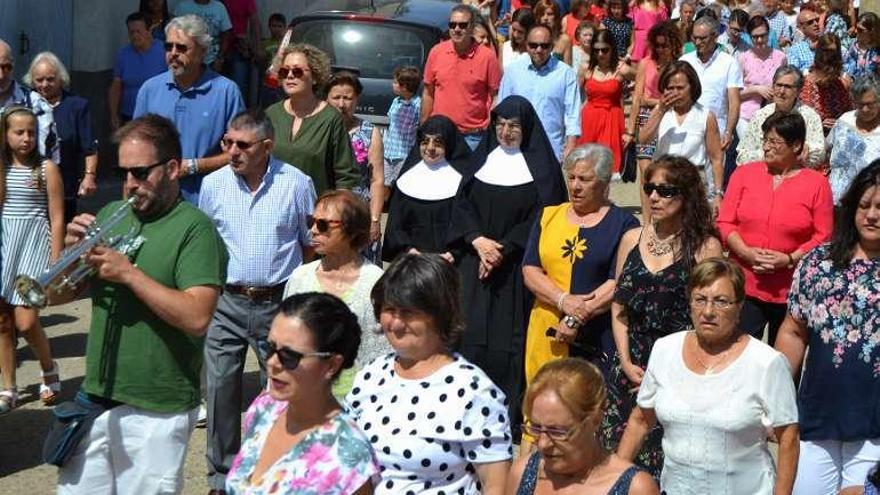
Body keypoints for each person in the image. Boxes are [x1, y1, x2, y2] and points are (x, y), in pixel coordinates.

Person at [56, 114, 227, 494]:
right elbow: (58, 297)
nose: (130, 185)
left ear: (171, 168)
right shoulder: (108, 218)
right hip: (95, 396)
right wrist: (68, 257)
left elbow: (198, 316)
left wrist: (130, 274)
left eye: (140, 173)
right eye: (124, 173)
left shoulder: (196, 230)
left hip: (157, 408)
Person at [198, 108, 316, 494]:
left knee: (281, 390)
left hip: (278, 303)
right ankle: (222, 475)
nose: (233, 151)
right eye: (227, 143)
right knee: (219, 389)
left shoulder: (296, 184)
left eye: (243, 145)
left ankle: (275, 470)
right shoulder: (214, 185)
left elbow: (309, 245)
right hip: (227, 302)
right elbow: (206, 245)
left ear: (266, 146)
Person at [618, 258, 800, 495]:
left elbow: (788, 438)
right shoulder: (665, 350)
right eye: (700, 300)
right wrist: (616, 480)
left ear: (739, 307)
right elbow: (641, 420)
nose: (708, 312)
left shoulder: (766, 363)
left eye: (721, 302)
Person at [449, 96, 568, 440]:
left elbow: (543, 216)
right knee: (470, 334)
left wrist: (504, 248)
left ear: (526, 128)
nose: (505, 131)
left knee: (510, 341)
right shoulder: (481, 160)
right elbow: (461, 205)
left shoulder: (542, 169)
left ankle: (507, 417)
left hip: (516, 267)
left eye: (513, 126)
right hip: (476, 265)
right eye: (500, 124)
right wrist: (477, 240)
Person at [345, 253, 512, 495]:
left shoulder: (474, 391)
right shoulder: (370, 375)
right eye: (390, 309)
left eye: (409, 313)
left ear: (440, 313)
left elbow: (498, 488)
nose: (397, 323)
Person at [608, 155, 722, 477]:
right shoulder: (632, 238)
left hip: (679, 368)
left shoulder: (705, 248)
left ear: (686, 196)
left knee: (669, 465)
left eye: (666, 190)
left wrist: (667, 370)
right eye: (650, 188)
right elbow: (619, 307)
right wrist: (626, 362)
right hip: (628, 368)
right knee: (622, 464)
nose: (654, 197)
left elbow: (709, 315)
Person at [775, 160, 880, 495]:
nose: (871, 215)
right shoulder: (818, 263)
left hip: (874, 422)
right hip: (817, 415)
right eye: (864, 206)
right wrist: (774, 396)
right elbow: (794, 331)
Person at [522, 144, 640, 408]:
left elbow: (617, 281)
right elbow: (530, 269)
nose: (575, 186)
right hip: (548, 331)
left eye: (584, 180)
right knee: (543, 406)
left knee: (588, 410)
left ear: (604, 183)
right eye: (572, 177)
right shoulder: (549, 216)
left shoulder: (624, 224)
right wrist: (563, 300)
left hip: (597, 335)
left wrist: (576, 316)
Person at [225, 293, 380, 494]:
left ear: (332, 364)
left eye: (289, 356)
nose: (272, 362)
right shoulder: (265, 408)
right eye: (271, 348)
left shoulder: (348, 454)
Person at [718, 112, 834, 345]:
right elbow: (725, 222)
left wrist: (790, 259)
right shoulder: (743, 174)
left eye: (774, 142)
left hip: (790, 289)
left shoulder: (816, 184)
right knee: (738, 352)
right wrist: (745, 252)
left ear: (796, 145)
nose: (766, 148)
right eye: (765, 140)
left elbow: (824, 236)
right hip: (745, 283)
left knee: (782, 361)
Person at [283, 190, 387, 394]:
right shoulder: (299, 278)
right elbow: (284, 343)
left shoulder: (375, 282)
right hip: (303, 398)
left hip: (356, 402)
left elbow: (381, 353)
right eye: (311, 221)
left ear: (351, 230)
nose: (312, 230)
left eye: (323, 225)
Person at [134, 14, 245, 205]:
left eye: (182, 47)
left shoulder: (226, 92)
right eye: (169, 46)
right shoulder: (149, 90)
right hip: (157, 201)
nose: (173, 53)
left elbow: (241, 152)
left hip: (207, 202)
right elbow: (135, 150)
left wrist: (195, 166)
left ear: (202, 52)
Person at [508, 359, 659, 495]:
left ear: (595, 420)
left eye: (558, 431)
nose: (542, 444)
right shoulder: (522, 471)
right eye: (535, 428)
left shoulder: (636, 488)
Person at [0, 106, 63, 412]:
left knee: (25, 321)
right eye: (19, 132)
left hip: (33, 246)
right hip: (4, 246)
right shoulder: (0, 168)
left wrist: (55, 261)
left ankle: (49, 367)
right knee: (2, 322)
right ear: (5, 134)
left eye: (31, 132)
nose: (26, 138)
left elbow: (57, 216)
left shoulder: (46, 168)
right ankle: (9, 387)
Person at [265, 43, 360, 195]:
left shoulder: (331, 119)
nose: (289, 76)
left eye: (297, 71)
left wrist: (338, 210)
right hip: (272, 207)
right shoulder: (271, 114)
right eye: (284, 71)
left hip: (314, 211)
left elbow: (345, 176)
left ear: (315, 76)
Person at [382, 115, 475, 262]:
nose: (430, 148)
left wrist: (454, 253)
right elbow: (395, 225)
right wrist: (408, 250)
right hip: (412, 261)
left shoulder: (464, 181)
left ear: (449, 144)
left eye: (438, 143)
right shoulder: (406, 179)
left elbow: (469, 224)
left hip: (452, 262)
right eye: (425, 142)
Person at [25, 52, 98, 223]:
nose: (45, 85)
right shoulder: (25, 106)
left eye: (50, 79)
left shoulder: (77, 106)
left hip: (65, 186)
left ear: (61, 78)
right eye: (39, 80)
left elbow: (89, 146)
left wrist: (89, 176)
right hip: (31, 187)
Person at [638, 61, 723, 207]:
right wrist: (660, 111)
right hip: (663, 183)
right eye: (670, 88)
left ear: (692, 87)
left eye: (680, 88)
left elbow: (716, 158)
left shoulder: (705, 116)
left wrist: (718, 193)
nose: (675, 92)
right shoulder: (660, 112)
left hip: (692, 183)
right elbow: (643, 140)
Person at [422, 4, 502, 150]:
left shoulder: (487, 57)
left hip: (473, 138)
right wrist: (424, 126)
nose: (457, 29)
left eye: (462, 25)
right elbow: (428, 92)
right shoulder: (436, 52)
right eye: (452, 25)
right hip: (439, 135)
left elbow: (495, 96)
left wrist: (490, 131)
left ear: (472, 27)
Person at [325, 72, 385, 264]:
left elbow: (377, 180)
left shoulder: (369, 131)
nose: (342, 104)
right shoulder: (318, 129)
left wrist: (374, 219)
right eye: (336, 97)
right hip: (325, 212)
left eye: (347, 98)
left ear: (357, 99)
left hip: (358, 213)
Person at [498, 24, 581, 160]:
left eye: (544, 45)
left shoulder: (565, 73)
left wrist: (571, 145)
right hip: (516, 148)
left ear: (552, 45)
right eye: (533, 45)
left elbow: (572, 113)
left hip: (551, 149)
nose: (539, 49)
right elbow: (503, 108)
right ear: (526, 45)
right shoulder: (513, 71)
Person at [629, 21, 683, 212]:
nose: (660, 49)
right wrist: (630, 129)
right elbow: (638, 98)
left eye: (664, 45)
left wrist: (654, 101)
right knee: (645, 174)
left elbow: (679, 97)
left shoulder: (678, 66)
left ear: (673, 44)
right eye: (657, 45)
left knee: (666, 172)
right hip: (646, 118)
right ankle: (646, 223)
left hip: (671, 119)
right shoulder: (645, 63)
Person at [736, 65, 826, 168]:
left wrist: (808, 148)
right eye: (778, 85)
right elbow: (742, 156)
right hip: (765, 174)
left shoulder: (810, 116)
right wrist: (777, 153)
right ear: (773, 86)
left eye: (787, 87)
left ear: (798, 91)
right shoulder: (760, 116)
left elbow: (820, 152)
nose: (781, 91)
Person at [679, 16, 743, 160]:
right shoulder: (684, 61)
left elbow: (734, 102)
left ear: (715, 37)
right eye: (694, 38)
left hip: (716, 132)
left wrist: (728, 132)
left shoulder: (729, 63)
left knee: (713, 180)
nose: (697, 42)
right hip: (686, 130)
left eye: (702, 38)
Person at [578, 30, 633, 174]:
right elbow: (575, 97)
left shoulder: (622, 70)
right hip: (589, 119)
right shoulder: (586, 69)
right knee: (587, 167)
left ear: (612, 49)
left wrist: (631, 125)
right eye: (596, 50)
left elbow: (642, 83)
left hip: (612, 120)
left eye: (605, 50)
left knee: (607, 169)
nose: (600, 54)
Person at [0, 39, 58, 164]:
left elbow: (46, 155)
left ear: (13, 66)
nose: (1, 75)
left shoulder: (34, 103)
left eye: (6, 67)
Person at [109, 12, 168, 130]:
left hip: (158, 116)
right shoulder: (123, 54)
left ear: (149, 31)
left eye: (138, 31)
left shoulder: (165, 51)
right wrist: (114, 114)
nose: (134, 36)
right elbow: (116, 87)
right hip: (130, 116)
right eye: (131, 32)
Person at [827, 75, 880, 203]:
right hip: (836, 200)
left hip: (869, 205)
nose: (865, 109)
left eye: (870, 104)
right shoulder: (844, 121)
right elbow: (826, 148)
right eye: (860, 104)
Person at [737, 17, 787, 144]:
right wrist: (755, 89)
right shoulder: (743, 58)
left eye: (763, 36)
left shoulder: (780, 57)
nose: (759, 40)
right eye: (755, 37)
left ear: (768, 34)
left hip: (773, 115)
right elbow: (733, 94)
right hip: (747, 115)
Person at [800, 33, 853, 134]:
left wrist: (838, 123)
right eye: (826, 51)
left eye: (833, 51)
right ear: (819, 51)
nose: (829, 56)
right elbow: (801, 117)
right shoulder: (806, 81)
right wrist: (819, 123)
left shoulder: (843, 82)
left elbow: (850, 115)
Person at [383, 66, 421, 189]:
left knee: (402, 185)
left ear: (404, 86)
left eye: (395, 82)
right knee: (384, 184)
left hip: (404, 155)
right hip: (388, 152)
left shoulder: (418, 105)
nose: (392, 84)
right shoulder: (396, 101)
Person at [218, 0, 260, 106]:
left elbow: (255, 23)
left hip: (238, 49)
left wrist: (257, 47)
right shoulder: (218, 2)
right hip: (216, 51)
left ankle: (240, 119)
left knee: (239, 88)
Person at [172, 0, 233, 71]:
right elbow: (172, 33)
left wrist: (220, 58)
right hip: (187, 60)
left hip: (212, 61)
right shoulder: (182, 7)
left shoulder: (219, 7)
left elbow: (226, 35)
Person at [843, 13, 880, 82]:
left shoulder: (877, 53)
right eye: (856, 28)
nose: (856, 31)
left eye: (860, 30)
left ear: (871, 32)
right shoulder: (852, 46)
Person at [787, 5, 822, 72]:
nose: (816, 24)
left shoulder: (828, 42)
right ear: (801, 27)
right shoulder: (795, 50)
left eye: (817, 20)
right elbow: (793, 74)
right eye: (810, 22)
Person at [572, 20, 597, 86]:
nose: (588, 38)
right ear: (578, 37)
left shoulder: (597, 53)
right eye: (585, 35)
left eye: (590, 35)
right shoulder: (572, 51)